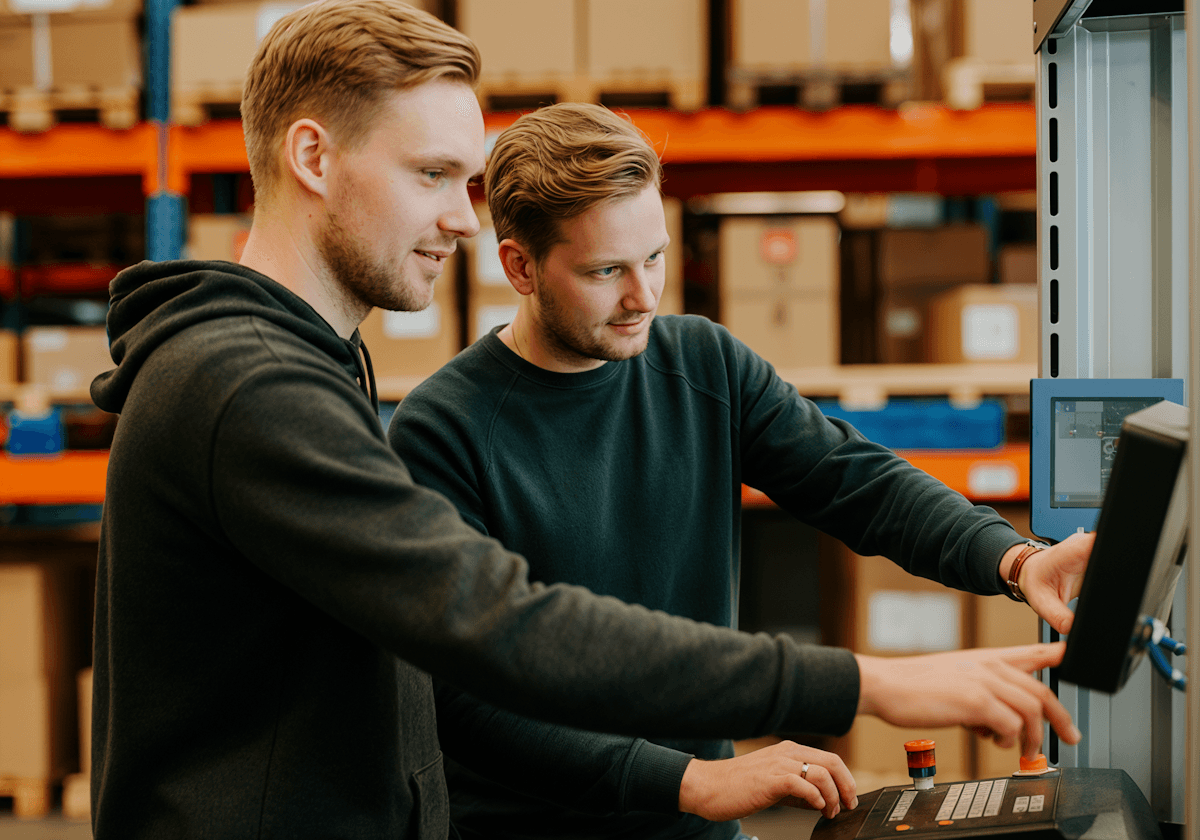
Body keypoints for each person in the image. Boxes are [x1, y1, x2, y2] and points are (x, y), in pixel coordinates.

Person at [83, 4, 976, 837]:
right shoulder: (255, 386)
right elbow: (494, 625)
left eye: (465, 179)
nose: (459, 218)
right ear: (312, 158)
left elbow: (849, 476)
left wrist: (1004, 557)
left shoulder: (298, 364)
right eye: (431, 174)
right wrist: (864, 684)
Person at [389, 102, 1093, 840]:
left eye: (654, 256)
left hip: (698, 824)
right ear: (520, 267)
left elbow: (855, 480)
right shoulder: (445, 430)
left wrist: (1012, 559)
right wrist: (690, 780)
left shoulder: (702, 364)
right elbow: (462, 705)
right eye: (606, 270)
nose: (643, 296)